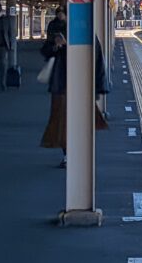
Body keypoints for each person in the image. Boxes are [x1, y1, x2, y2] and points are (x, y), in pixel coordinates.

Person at [39, 33, 109, 167]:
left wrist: (99, 87)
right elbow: (45, 51)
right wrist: (56, 45)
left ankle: (77, 153)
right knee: (62, 122)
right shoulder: (58, 31)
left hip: (81, 85)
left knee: (79, 121)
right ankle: (68, 154)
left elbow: (95, 59)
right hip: (62, 85)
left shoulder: (87, 34)